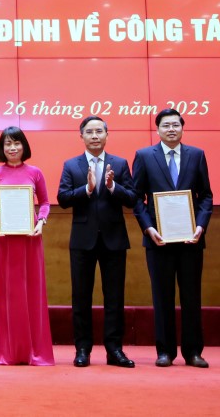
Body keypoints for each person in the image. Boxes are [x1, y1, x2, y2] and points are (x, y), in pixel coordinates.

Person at [132, 108, 214, 368]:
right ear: (157, 130)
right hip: (159, 239)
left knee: (191, 295)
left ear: (182, 128)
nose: (171, 129)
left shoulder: (197, 155)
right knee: (162, 295)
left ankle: (193, 352)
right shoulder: (144, 156)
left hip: (191, 238)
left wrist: (201, 225)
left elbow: (206, 196)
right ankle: (164, 351)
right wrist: (148, 228)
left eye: (175, 125)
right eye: (165, 125)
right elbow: (136, 197)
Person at [57, 116, 136, 368]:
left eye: (99, 131)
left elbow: (133, 198)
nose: (94, 136)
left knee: (115, 297)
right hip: (82, 240)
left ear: (106, 135)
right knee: (81, 297)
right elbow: (63, 198)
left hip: (114, 239)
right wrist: (87, 190)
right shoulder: (71, 165)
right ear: (81, 136)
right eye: (89, 132)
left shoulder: (120, 164)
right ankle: (82, 349)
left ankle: (114, 350)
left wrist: (113, 187)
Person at [0, 126, 55, 365]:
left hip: (30, 237)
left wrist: (41, 221)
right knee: (6, 294)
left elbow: (44, 202)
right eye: (7, 144)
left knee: (31, 291)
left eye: (16, 143)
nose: (12, 148)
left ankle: (33, 352)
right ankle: (6, 352)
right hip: (4, 239)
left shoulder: (35, 172)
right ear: (2, 148)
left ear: (24, 146)